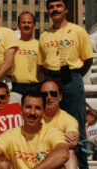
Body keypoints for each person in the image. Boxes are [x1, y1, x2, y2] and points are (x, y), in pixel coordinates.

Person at [39, 0, 93, 168]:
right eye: (51, 7)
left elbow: (88, 60)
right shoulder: (44, 35)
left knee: (77, 125)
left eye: (58, 6)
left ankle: (82, 165)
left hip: (72, 79)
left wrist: (72, 77)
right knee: (49, 124)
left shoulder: (78, 31)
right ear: (48, 11)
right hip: (51, 79)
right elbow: (41, 64)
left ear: (66, 9)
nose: (55, 10)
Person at [0, 91, 69, 169]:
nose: (32, 112)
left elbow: (63, 153)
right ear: (21, 111)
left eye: (37, 108)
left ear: (44, 113)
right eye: (28, 107)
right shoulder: (10, 134)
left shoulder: (53, 133)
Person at [39, 78, 79, 169]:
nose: (49, 97)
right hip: (34, 155)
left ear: (60, 96)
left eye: (53, 93)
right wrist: (60, 136)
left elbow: (72, 142)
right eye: (44, 94)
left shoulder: (68, 119)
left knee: (69, 151)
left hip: (54, 157)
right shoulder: (34, 116)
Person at [10, 11, 40, 95]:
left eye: (29, 23)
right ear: (18, 26)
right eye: (23, 22)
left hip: (34, 87)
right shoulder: (12, 45)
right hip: (15, 87)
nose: (26, 25)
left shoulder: (39, 45)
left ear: (34, 25)